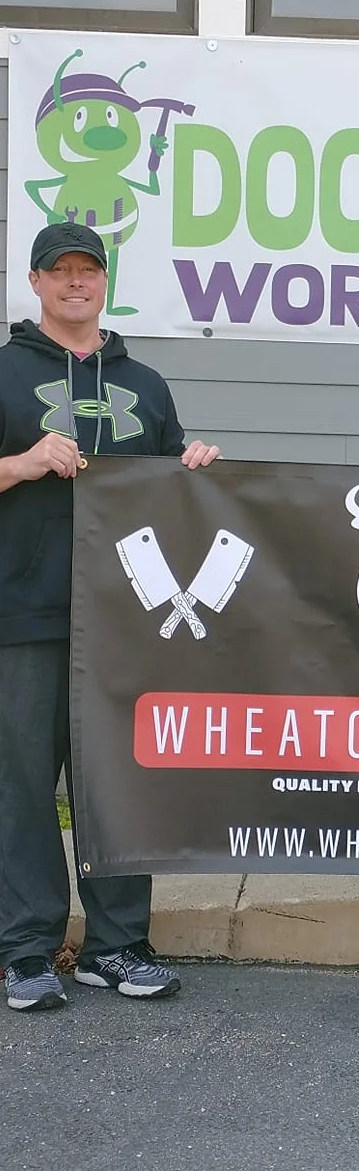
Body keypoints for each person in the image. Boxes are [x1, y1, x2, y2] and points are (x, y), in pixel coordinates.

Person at [0, 221, 220, 1012]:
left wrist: (195, 469)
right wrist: (23, 463)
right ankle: (27, 951)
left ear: (104, 281)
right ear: (35, 282)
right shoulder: (4, 374)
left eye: (87, 270)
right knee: (24, 787)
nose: (74, 282)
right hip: (25, 612)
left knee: (120, 787)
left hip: (128, 619)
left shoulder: (147, 384)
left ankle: (116, 947)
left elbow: (172, 494)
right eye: (58, 270)